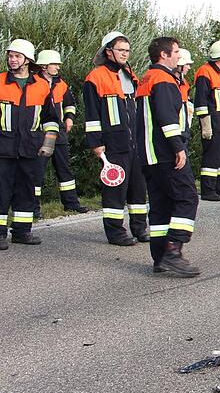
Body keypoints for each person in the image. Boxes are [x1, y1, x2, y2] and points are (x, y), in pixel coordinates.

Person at [137, 37, 201, 277]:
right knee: (187, 197)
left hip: (148, 155)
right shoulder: (163, 80)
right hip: (164, 153)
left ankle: (160, 258)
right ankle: (174, 251)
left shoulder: (147, 78)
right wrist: (178, 147)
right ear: (163, 55)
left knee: (161, 206)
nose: (178, 56)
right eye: (175, 52)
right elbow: (167, 118)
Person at [84, 31, 149, 246]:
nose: (125, 54)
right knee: (115, 190)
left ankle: (140, 228)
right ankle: (115, 233)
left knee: (138, 189)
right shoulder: (95, 77)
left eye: (127, 50)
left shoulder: (129, 75)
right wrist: (96, 143)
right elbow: (92, 115)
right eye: (121, 50)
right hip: (113, 144)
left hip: (135, 143)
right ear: (108, 51)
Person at [0, 39, 60, 249]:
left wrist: (49, 143)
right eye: (10, 56)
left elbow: (50, 118)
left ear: (27, 60)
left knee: (26, 190)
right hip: (3, 148)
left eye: (17, 56)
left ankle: (22, 231)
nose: (12, 60)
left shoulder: (41, 86)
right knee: (1, 191)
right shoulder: (0, 82)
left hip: (30, 148)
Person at [35, 50, 89, 215]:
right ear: (44, 66)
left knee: (64, 169)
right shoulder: (33, 82)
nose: (58, 67)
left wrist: (69, 118)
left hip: (59, 133)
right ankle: (33, 208)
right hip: (39, 134)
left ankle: (71, 203)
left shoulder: (61, 84)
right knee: (37, 171)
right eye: (55, 64)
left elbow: (69, 104)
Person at [194, 40, 220, 201]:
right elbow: (201, 102)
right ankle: (208, 190)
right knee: (211, 157)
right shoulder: (205, 72)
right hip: (213, 123)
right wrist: (205, 125)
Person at [176, 48, 195, 129]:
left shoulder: (184, 83)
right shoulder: (170, 82)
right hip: (176, 127)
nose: (189, 68)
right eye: (187, 64)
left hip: (184, 125)